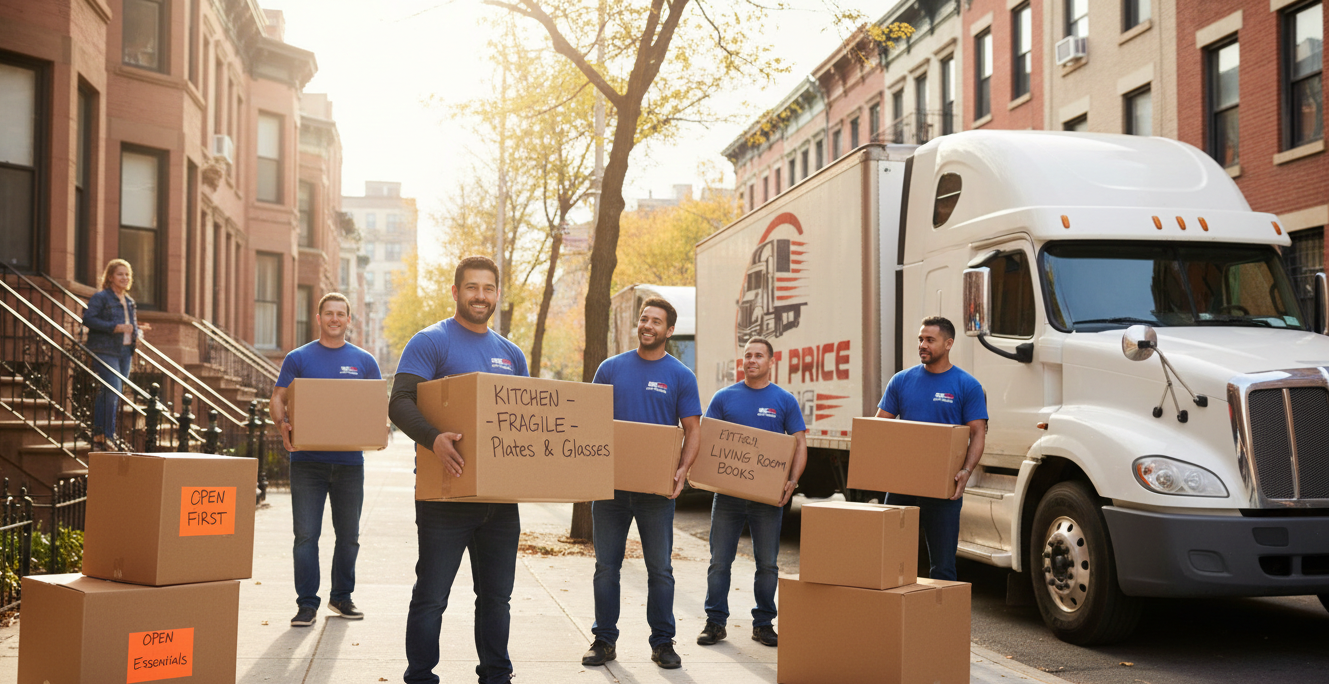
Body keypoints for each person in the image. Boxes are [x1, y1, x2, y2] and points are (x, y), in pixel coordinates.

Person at [388, 256, 529, 684]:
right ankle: (420, 677)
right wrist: (434, 439)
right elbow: (399, 402)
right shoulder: (431, 342)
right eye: (472, 288)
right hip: (445, 496)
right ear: (455, 292)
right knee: (432, 597)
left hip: (500, 503)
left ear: (497, 294)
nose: (480, 296)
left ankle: (496, 676)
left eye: (488, 288)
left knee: (496, 599)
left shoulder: (511, 354)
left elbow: (523, 419)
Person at [581, 298, 702, 671]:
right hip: (611, 489)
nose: (648, 325)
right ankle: (604, 640)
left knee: (660, 570)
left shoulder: (681, 376)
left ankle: (663, 643)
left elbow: (694, 430)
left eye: (656, 321)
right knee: (606, 567)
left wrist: (682, 471)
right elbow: (589, 419)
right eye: (644, 319)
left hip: (656, 492)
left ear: (668, 331)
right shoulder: (611, 368)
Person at [269, 292, 382, 627]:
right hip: (307, 463)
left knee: (348, 536)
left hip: (349, 465)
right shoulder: (299, 358)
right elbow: (278, 396)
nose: (335, 319)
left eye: (341, 314)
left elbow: (376, 405)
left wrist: (381, 427)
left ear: (349, 320)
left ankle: (341, 597)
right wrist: (282, 425)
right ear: (318, 318)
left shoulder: (364, 362)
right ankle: (307, 604)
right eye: (329, 313)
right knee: (306, 536)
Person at [696, 337, 807, 649]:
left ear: (771, 362)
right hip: (728, 497)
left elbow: (799, 443)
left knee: (768, 564)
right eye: (747, 356)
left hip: (767, 500)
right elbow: (707, 442)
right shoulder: (723, 398)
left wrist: (792, 480)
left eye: (759, 356)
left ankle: (763, 624)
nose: (752, 360)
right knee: (720, 561)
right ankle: (715, 622)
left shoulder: (784, 401)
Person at [875, 316, 988, 582]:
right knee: (890, 559)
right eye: (920, 339)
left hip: (944, 486)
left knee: (942, 566)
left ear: (948, 344)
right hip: (902, 483)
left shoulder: (966, 385)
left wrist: (966, 471)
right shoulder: (901, 381)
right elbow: (880, 428)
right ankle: (892, 618)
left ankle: (940, 620)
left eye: (930, 340)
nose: (922, 345)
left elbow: (978, 433)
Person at [82, 259, 150, 447]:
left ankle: (99, 433)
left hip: (125, 352)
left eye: (127, 274)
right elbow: (88, 319)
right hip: (104, 349)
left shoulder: (129, 302)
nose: (125, 278)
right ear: (110, 277)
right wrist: (115, 327)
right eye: (120, 274)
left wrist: (138, 332)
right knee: (113, 387)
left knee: (111, 391)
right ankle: (107, 434)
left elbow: (131, 326)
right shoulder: (101, 297)